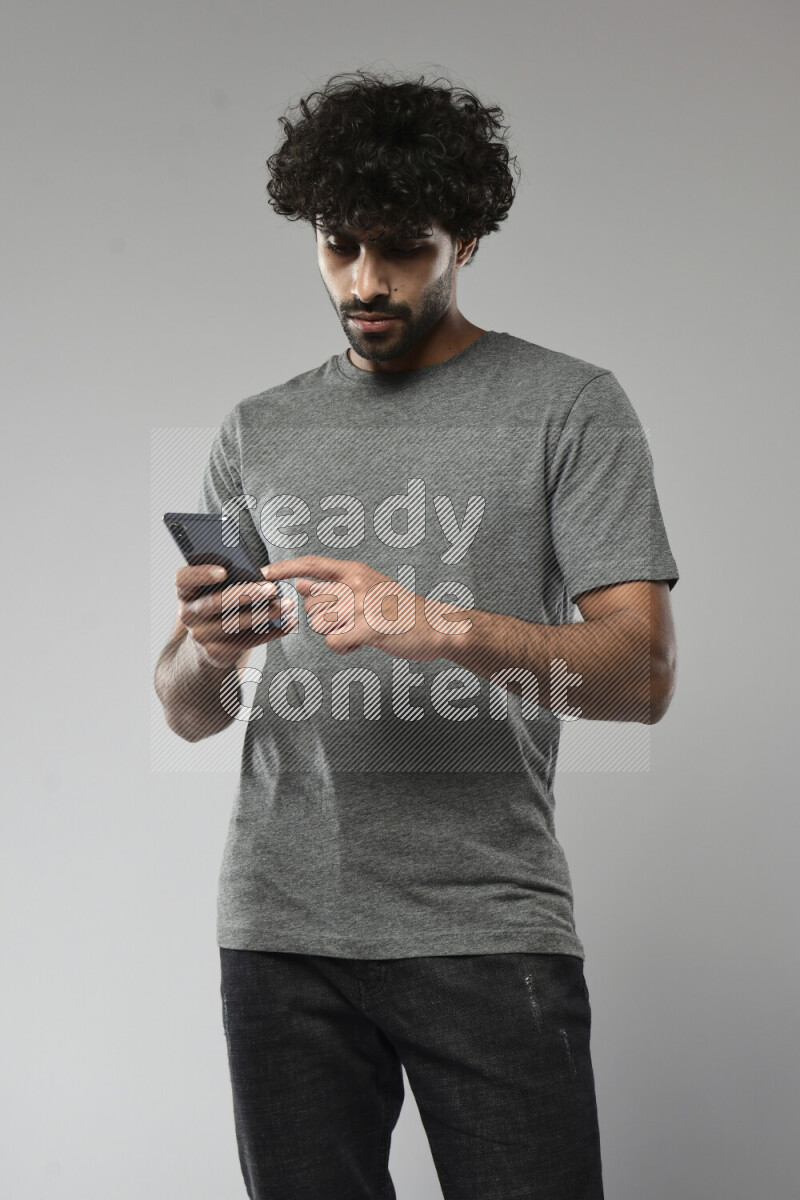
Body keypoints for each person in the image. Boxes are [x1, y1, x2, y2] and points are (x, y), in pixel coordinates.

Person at [154, 68, 679, 1200]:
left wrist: (434, 625)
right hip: (279, 926)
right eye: (339, 246)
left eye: (402, 249)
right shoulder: (259, 428)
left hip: (485, 922)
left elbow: (641, 674)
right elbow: (187, 712)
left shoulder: (569, 407)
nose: (365, 281)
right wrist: (211, 648)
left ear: (468, 240)